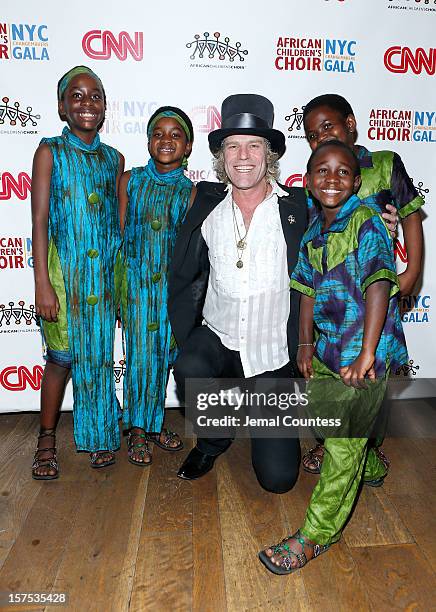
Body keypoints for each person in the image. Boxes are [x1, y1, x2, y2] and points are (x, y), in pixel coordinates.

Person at [259, 140, 408, 575]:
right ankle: (372, 463)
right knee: (330, 423)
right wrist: (304, 345)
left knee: (342, 446)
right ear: (308, 180)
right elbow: (304, 289)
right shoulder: (313, 229)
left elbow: (380, 283)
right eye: (322, 171)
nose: (332, 179)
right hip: (326, 350)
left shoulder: (365, 223)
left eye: (343, 172)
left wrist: (367, 353)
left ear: (357, 181)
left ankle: (315, 534)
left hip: (364, 353)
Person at [168, 94, 307, 491]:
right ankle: (215, 438)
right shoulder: (205, 203)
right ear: (221, 156)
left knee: (278, 481)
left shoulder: (298, 208)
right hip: (219, 342)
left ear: (270, 154)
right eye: (233, 146)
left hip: (272, 355)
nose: (242, 156)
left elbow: (345, 202)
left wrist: (381, 217)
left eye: (254, 145)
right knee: (191, 365)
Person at [301, 93, 424, 475]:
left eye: (327, 127)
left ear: (350, 123)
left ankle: (364, 448)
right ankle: (337, 445)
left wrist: (411, 273)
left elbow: (410, 218)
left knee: (373, 371)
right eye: (311, 135)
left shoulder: (385, 163)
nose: (320, 137)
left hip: (377, 292)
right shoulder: (321, 176)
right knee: (334, 374)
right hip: (337, 300)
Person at [31, 66, 124, 479]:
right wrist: (42, 284)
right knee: (62, 358)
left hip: (102, 279)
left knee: (100, 359)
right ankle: (46, 439)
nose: (87, 103)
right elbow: (39, 222)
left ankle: (102, 433)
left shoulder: (114, 159)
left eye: (95, 96)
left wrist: (120, 284)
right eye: (78, 96)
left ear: (105, 107)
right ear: (62, 106)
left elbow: (118, 227)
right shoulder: (49, 151)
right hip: (64, 277)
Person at [118, 107, 196, 465]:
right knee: (138, 359)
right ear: (149, 140)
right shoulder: (130, 180)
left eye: (175, 135)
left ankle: (153, 423)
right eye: (158, 133)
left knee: (163, 359)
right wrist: (119, 291)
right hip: (135, 287)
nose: (166, 140)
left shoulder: (190, 191)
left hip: (169, 290)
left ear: (188, 146)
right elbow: (118, 236)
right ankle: (137, 430)